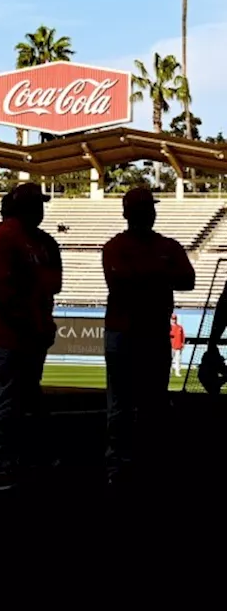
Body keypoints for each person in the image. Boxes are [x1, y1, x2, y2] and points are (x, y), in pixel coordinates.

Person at [100, 188, 194, 489]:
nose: (149, 213)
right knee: (125, 405)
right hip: (128, 333)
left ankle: (138, 462)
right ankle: (121, 463)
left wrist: (145, 274)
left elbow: (188, 280)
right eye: (145, 208)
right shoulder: (124, 247)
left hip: (147, 333)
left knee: (146, 403)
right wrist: (160, 273)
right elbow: (122, 280)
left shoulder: (132, 246)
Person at [0, 182, 62, 493]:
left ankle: (16, 460)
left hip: (26, 334)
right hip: (7, 335)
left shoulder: (36, 240)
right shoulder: (6, 238)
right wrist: (33, 322)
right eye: (37, 204)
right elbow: (5, 293)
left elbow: (53, 283)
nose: (41, 209)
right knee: (7, 400)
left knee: (18, 399)